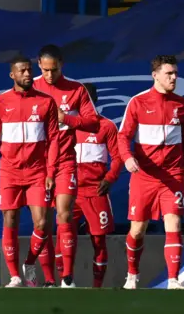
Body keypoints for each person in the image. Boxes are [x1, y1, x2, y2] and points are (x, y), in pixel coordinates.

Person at [0, 55, 60, 287]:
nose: (27, 74)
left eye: (29, 70)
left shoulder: (46, 102)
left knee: (42, 223)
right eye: (22, 71)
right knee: (10, 219)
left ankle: (29, 264)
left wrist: (50, 172)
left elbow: (54, 139)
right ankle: (16, 276)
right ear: (12, 75)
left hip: (37, 173)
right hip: (9, 172)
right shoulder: (0, 102)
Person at [118, 55, 184, 290]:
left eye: (175, 73)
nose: (173, 77)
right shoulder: (138, 102)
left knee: (174, 223)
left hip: (173, 175)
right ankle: (132, 275)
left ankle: (173, 279)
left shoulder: (182, 105)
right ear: (155, 75)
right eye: (169, 73)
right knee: (138, 229)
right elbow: (123, 137)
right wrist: (128, 158)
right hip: (145, 176)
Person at [33, 44, 99, 288]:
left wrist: (67, 119)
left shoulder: (76, 89)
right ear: (39, 64)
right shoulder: (31, 88)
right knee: (42, 222)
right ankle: (49, 279)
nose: (50, 75)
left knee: (65, 214)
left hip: (65, 162)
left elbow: (93, 123)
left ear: (62, 64)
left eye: (55, 69)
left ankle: (67, 278)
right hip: (37, 165)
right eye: (46, 69)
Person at [72, 83, 123, 288]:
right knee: (64, 235)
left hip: (95, 191)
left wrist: (109, 178)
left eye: (89, 99)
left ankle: (97, 288)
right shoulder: (68, 127)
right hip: (71, 191)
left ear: (96, 100)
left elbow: (118, 157)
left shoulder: (107, 126)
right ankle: (65, 282)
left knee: (99, 240)